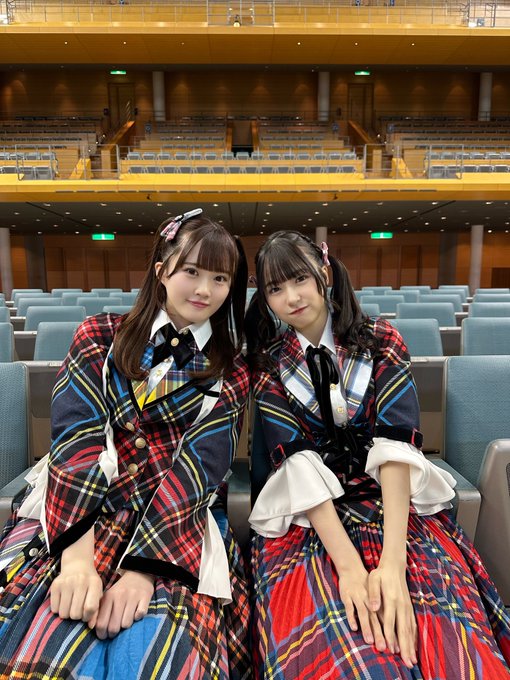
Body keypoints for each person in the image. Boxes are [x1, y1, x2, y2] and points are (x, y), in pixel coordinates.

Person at [246, 230, 510, 679]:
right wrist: (350, 567)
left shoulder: (382, 339)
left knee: (446, 640)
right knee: (340, 652)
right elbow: (296, 464)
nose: (291, 297)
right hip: (312, 518)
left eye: (300, 279)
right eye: (275, 288)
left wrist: (392, 565)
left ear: (324, 272)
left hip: (393, 509)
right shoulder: (268, 361)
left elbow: (395, 449)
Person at [0, 209, 251, 679]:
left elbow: (199, 470)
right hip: (82, 512)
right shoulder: (99, 335)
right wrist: (76, 559)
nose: (204, 289)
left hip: (173, 525)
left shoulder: (230, 367)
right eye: (191, 271)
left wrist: (143, 571)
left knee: (157, 657)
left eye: (220, 278)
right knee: (49, 646)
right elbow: (76, 439)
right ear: (162, 271)